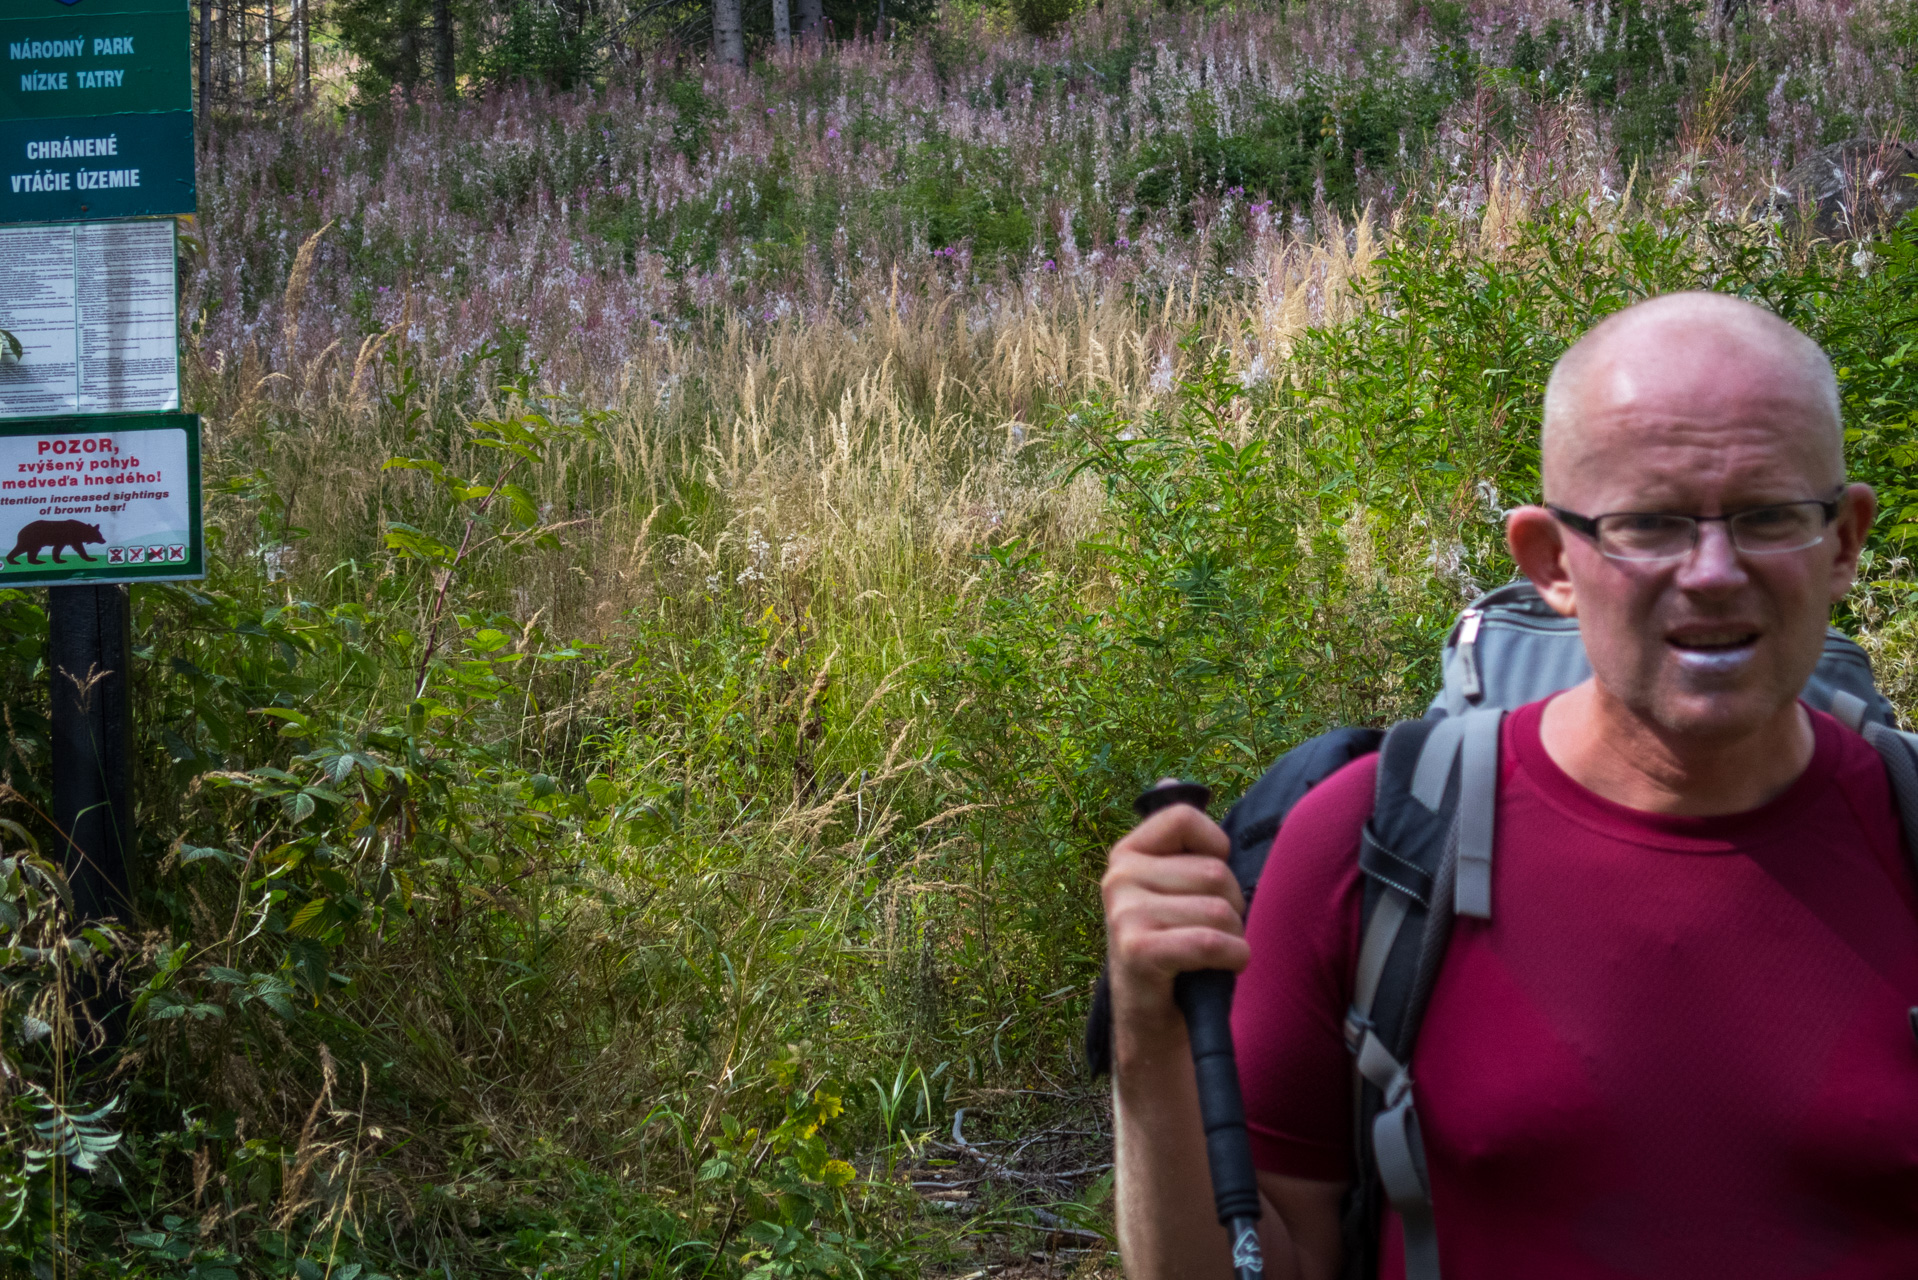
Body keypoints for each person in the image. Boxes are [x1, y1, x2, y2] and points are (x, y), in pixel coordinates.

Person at [1100, 292, 1918, 1280]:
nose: (1711, 570)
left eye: (1768, 515)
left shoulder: (1901, 830)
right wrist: (1149, 1050)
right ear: (1548, 560)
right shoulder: (1365, 843)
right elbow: (1260, 1260)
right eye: (1648, 523)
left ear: (1841, 541)